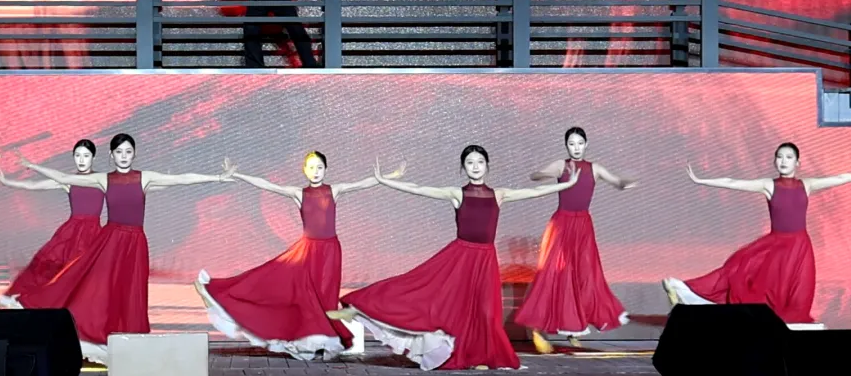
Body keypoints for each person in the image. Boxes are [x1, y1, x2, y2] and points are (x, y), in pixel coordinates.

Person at [329, 146, 580, 371]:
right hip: (460, 258)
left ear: (487, 166)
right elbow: (419, 189)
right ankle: (359, 308)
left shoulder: (499, 194)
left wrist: (567, 185)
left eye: (479, 162)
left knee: (486, 313)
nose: (475, 167)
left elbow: (535, 191)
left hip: (485, 261)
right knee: (427, 293)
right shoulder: (457, 194)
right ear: (463, 167)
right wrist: (385, 180)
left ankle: (479, 354)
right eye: (470, 163)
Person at [6, 133, 234, 365]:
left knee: (130, 290)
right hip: (111, 240)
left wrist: (218, 177)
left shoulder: (144, 178)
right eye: (119, 152)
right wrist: (32, 165)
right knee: (94, 284)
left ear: (134, 154)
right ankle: (87, 328)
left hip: (135, 244)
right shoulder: (104, 180)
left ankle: (127, 340)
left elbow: (181, 179)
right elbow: (64, 177)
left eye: (128, 151)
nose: (124, 156)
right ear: (111, 154)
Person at [195, 153, 405, 360]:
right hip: (307, 251)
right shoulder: (298, 193)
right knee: (302, 294)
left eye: (319, 167)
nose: (315, 171)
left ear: (326, 169)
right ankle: (308, 338)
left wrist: (387, 177)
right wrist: (238, 175)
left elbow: (362, 184)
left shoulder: (334, 190)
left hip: (331, 252)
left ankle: (321, 340)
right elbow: (267, 185)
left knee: (326, 297)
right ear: (304, 170)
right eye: (311, 167)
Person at [662, 142, 850, 327]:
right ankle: (684, 289)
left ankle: (787, 328)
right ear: (775, 161)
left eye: (789, 157)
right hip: (777, 246)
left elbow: (840, 177)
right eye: (779, 157)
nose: (783, 161)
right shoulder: (768, 185)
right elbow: (732, 182)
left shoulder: (807, 185)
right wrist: (701, 181)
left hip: (800, 249)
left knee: (799, 295)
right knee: (738, 272)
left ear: (797, 163)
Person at [513, 127, 635, 353]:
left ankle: (574, 329)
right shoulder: (562, 165)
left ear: (586, 144)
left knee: (584, 275)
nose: (576, 148)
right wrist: (545, 174)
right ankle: (538, 327)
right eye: (572, 144)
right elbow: (535, 176)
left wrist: (626, 182)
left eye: (580, 143)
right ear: (566, 146)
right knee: (556, 274)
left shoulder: (594, 168)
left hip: (583, 228)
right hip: (562, 225)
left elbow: (617, 182)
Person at [0, 139, 105, 303]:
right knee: (47, 263)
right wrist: (7, 182)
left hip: (93, 233)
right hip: (71, 231)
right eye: (78, 155)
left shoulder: (101, 179)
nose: (81, 160)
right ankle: (21, 297)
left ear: (93, 157)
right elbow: (34, 185)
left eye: (86, 155)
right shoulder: (69, 181)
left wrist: (32, 165)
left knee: (87, 271)